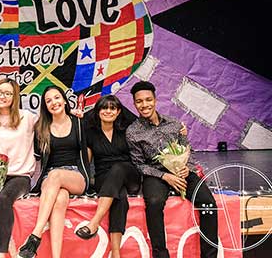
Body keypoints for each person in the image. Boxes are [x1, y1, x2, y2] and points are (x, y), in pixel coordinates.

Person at [126, 81, 218, 258]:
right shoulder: (132, 132)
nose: (144, 105)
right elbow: (138, 164)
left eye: (148, 100)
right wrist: (165, 176)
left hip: (182, 171)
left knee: (208, 204)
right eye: (139, 101)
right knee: (153, 203)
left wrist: (186, 168)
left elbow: (185, 150)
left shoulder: (175, 124)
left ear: (155, 100)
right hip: (156, 175)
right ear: (134, 103)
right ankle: (161, 255)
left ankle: (210, 255)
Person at [18, 85, 90, 258]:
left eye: (57, 98)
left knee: (56, 175)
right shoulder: (41, 128)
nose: (54, 103)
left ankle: (35, 235)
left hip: (75, 175)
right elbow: (36, 158)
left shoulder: (78, 122)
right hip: (50, 177)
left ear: (65, 100)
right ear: (45, 106)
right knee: (59, 199)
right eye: (48, 101)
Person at [0, 78, 37, 258]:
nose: (2, 96)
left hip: (20, 175)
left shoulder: (27, 117)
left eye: (8, 93)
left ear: (15, 96)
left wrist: (74, 113)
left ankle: (2, 253)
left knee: (4, 198)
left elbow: (52, 120)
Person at [74, 95, 140, 258]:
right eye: (104, 108)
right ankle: (116, 252)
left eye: (112, 108)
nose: (108, 111)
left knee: (118, 168)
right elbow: (86, 161)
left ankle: (94, 223)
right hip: (105, 176)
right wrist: (84, 182)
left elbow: (145, 124)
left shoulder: (126, 129)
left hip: (129, 174)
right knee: (120, 198)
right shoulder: (90, 133)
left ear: (118, 112)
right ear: (97, 112)